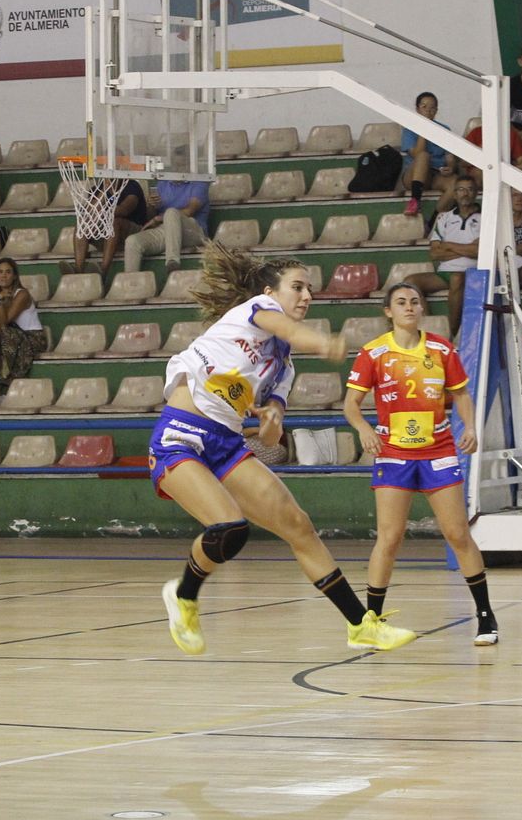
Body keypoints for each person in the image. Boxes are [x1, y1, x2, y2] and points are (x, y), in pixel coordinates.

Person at [152, 243, 417, 656]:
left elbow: (272, 430)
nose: (307, 296)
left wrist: (272, 422)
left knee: (299, 526)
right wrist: (323, 342)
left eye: (310, 290)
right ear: (270, 292)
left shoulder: (283, 365)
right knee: (229, 528)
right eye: (298, 287)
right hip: (181, 434)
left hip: (226, 442)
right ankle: (184, 595)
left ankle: (360, 625)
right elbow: (292, 331)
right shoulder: (255, 310)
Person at [343, 282, 495, 645]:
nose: (409, 307)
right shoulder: (373, 352)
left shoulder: (442, 348)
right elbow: (351, 405)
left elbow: (460, 394)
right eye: (400, 302)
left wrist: (470, 426)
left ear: (422, 309)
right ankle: (371, 622)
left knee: (458, 533)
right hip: (394, 453)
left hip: (438, 449)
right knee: (389, 537)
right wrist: (364, 428)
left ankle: (486, 616)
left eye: (415, 301)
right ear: (388, 311)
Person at [407, 175, 482, 336]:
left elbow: (479, 252)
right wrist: (466, 248)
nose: (465, 193)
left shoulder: (485, 218)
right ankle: (429, 329)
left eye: (469, 189)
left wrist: (447, 246)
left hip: (472, 273)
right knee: (410, 282)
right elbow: (434, 253)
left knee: (456, 278)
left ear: (476, 193)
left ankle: (451, 333)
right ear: (454, 194)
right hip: (444, 272)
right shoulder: (444, 218)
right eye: (461, 189)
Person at [122, 177, 210, 272]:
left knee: (171, 212)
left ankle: (172, 262)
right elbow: (151, 216)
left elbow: (189, 211)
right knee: (132, 241)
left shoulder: (199, 183)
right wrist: (152, 205)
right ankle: (130, 282)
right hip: (167, 229)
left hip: (193, 230)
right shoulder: (162, 184)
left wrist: (158, 218)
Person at [0, 257, 47, 382]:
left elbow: (4, 321)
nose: (3, 276)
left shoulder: (22, 294)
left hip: (32, 338)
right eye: (0, 272)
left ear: (15, 276)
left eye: (8, 272)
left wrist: (0, 301)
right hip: (11, 335)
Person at [70, 177, 150, 277]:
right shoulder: (97, 189)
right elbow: (90, 213)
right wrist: (104, 191)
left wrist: (101, 214)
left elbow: (124, 210)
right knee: (82, 225)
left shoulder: (132, 186)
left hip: (134, 233)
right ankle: (78, 270)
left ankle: (103, 271)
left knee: (113, 222)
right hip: (108, 237)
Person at [399, 91, 457, 217]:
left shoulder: (444, 129)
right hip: (414, 176)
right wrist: (424, 129)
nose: (428, 111)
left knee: (456, 183)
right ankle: (415, 201)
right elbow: (417, 154)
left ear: (436, 110)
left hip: (436, 174)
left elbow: (450, 157)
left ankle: (435, 219)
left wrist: (450, 167)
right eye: (424, 107)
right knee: (423, 156)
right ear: (417, 109)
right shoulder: (409, 129)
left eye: (432, 107)